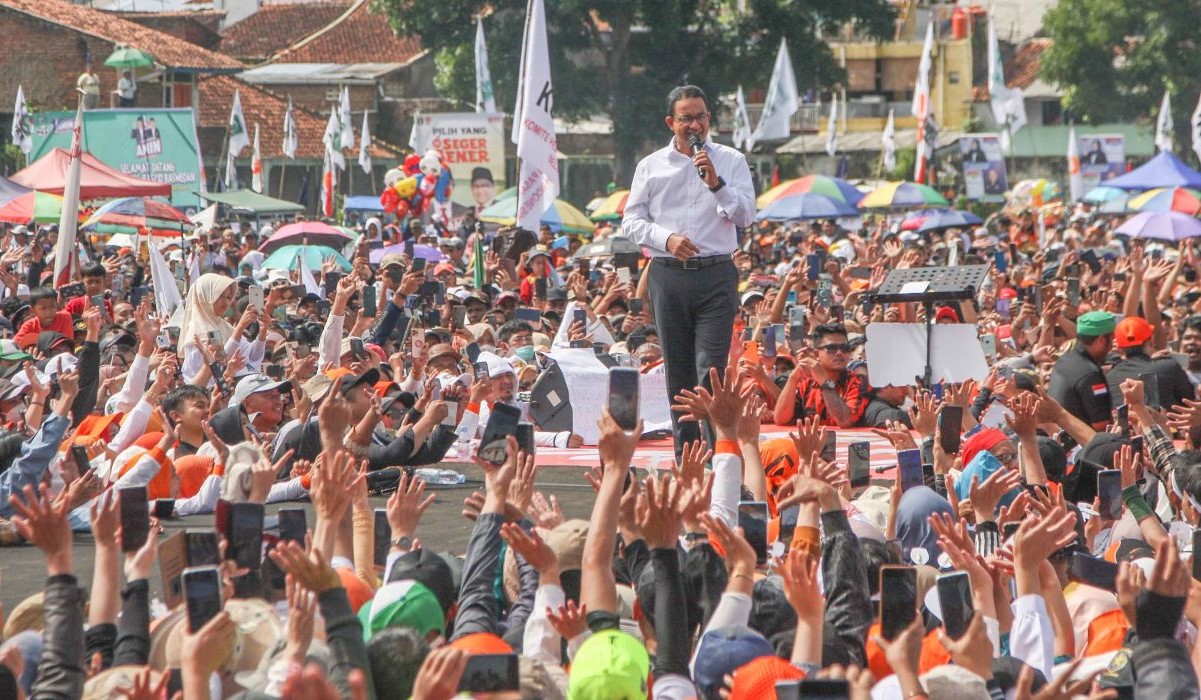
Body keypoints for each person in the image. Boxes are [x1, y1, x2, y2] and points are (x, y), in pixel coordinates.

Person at [624, 84, 755, 452]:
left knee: (710, 370)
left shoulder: (731, 160)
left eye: (701, 116)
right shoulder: (650, 166)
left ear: (709, 119)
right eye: (686, 118)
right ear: (671, 122)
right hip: (668, 275)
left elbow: (745, 215)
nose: (694, 124)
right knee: (679, 373)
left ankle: (722, 454)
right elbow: (631, 222)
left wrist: (717, 184)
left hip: (716, 275)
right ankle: (688, 458)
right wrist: (667, 239)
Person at [773, 322, 868, 427]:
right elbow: (781, 420)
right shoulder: (806, 383)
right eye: (832, 348)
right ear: (816, 354)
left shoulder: (858, 381)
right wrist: (793, 379)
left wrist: (824, 382)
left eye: (845, 348)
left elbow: (845, 421)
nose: (839, 353)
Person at [1106, 315, 1194, 412]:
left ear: (1119, 347)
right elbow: (1190, 400)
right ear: (1151, 340)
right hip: (1162, 425)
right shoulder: (1168, 366)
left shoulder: (1110, 376)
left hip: (1120, 426)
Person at [1047, 310, 1114, 430]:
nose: (1111, 347)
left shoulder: (1064, 360)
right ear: (1101, 340)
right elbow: (1102, 426)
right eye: (1111, 339)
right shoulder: (1091, 375)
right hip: (1081, 444)